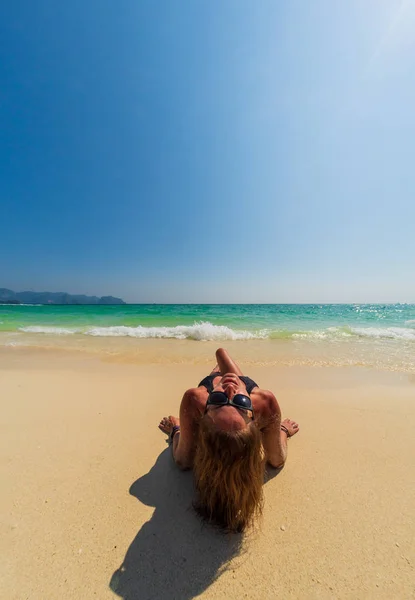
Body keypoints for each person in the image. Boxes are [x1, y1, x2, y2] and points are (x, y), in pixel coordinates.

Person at [159, 347, 299, 532]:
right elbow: (277, 458)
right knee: (224, 361)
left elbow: (181, 458)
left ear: (205, 411)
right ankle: (231, 396)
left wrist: (176, 429)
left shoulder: (196, 398)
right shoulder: (264, 402)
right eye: (241, 403)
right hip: (247, 389)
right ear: (253, 416)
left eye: (217, 399)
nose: (230, 387)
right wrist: (282, 430)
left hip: (212, 386)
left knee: (219, 363)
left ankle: (218, 381)